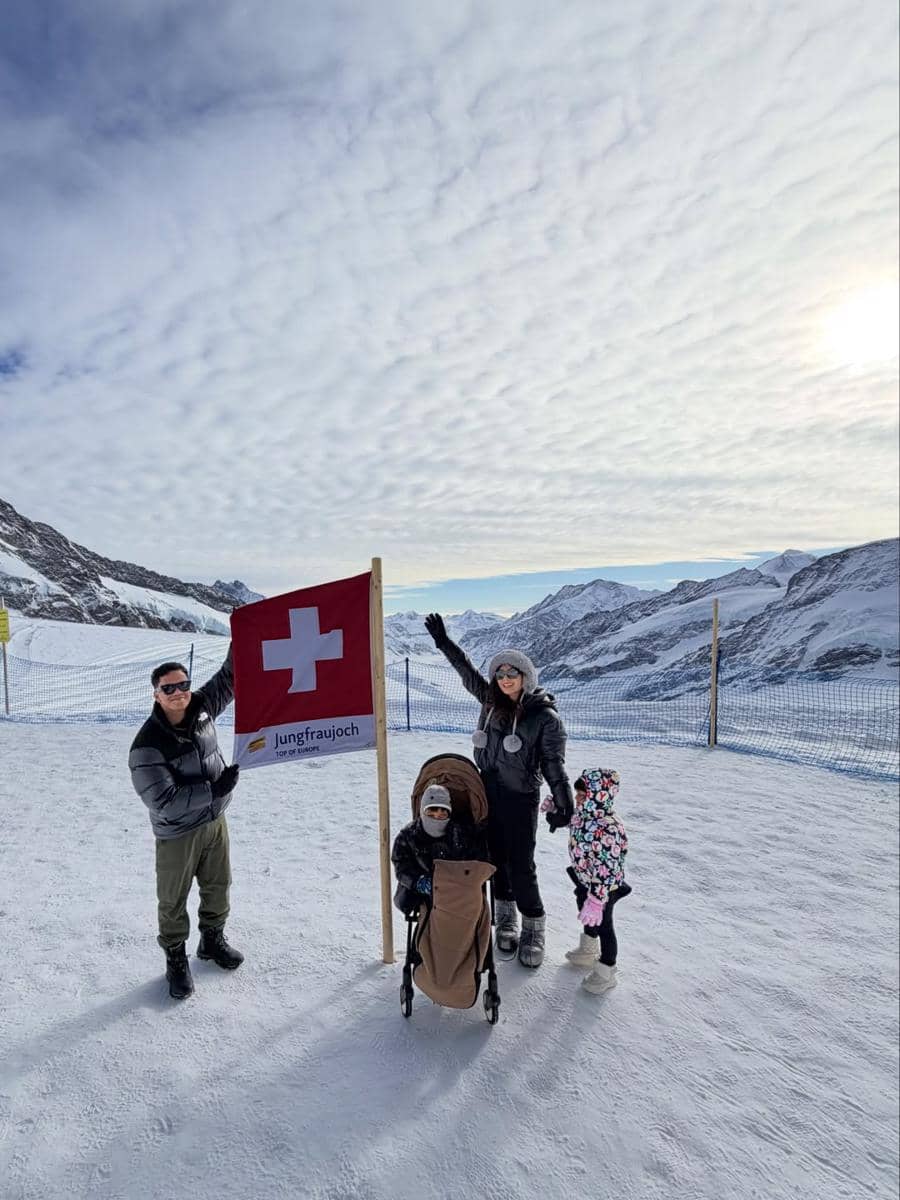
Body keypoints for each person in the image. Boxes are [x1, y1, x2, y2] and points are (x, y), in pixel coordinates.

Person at [423, 613, 573, 968]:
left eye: (512, 674)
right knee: (496, 863)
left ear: (526, 677)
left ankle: (534, 929)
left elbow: (553, 764)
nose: (505, 679)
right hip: (485, 793)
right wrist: (444, 642)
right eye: (501, 674)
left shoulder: (543, 718)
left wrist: (564, 799)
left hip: (520, 798)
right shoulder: (489, 701)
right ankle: (506, 922)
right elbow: (466, 672)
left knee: (521, 866)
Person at [129, 645, 242, 1000]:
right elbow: (162, 800)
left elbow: (230, 678)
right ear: (156, 694)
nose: (178, 693)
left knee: (218, 885)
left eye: (183, 685)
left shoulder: (202, 708)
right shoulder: (147, 745)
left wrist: (240, 636)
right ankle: (176, 958)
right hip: (178, 832)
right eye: (169, 688)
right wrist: (214, 789)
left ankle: (212, 940)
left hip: (214, 821)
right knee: (173, 899)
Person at [550, 768, 631, 994]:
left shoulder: (609, 827)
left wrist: (597, 899)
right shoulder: (585, 814)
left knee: (604, 923)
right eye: (577, 794)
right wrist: (555, 810)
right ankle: (588, 948)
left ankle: (607, 970)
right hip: (585, 880)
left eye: (582, 795)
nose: (577, 799)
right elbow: (574, 824)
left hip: (604, 888)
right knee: (586, 914)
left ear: (598, 795)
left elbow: (608, 867)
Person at [391, 783, 491, 916]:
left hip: (456, 891)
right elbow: (401, 864)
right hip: (422, 892)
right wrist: (417, 882)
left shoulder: (461, 833)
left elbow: (478, 860)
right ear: (423, 810)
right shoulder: (408, 835)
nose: (438, 814)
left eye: (443, 810)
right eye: (432, 809)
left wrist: (464, 881)